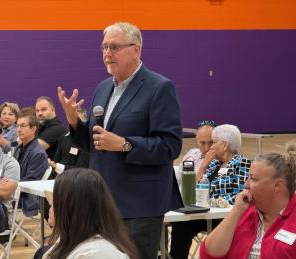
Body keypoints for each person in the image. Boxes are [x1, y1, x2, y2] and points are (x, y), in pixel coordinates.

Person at [57, 21, 182, 259]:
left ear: (136, 49)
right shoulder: (103, 88)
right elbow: (97, 143)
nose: (107, 54)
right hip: (102, 202)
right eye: (104, 47)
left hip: (140, 204)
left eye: (114, 47)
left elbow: (170, 146)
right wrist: (74, 121)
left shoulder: (159, 87)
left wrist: (125, 144)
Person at [200, 142, 296, 259]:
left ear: (277, 185)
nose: (246, 185)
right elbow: (208, 254)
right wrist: (235, 212)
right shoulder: (245, 213)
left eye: (253, 179)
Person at [170, 124, 252, 259]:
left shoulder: (241, 162)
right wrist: (204, 165)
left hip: (226, 218)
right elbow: (193, 189)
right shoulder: (214, 164)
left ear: (225, 145)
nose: (211, 147)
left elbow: (239, 194)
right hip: (206, 214)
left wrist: (214, 202)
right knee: (181, 224)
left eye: (213, 142)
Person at [36, 168, 138, 259]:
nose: (50, 207)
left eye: (54, 202)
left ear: (72, 209)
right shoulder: (73, 238)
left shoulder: (94, 253)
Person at [14, 110, 49, 216]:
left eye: (23, 126)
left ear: (33, 129)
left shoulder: (38, 153)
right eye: (17, 126)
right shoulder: (19, 148)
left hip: (25, 198)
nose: (19, 129)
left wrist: (7, 186)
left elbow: (30, 183)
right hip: (15, 190)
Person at [49, 108, 89, 176]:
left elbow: (81, 169)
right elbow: (56, 161)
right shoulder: (63, 137)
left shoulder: (87, 140)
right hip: (57, 177)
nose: (74, 122)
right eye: (72, 119)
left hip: (75, 180)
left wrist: (57, 167)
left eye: (78, 120)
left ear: (85, 122)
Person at [175, 120, 216, 184]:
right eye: (202, 143)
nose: (207, 148)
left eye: (211, 142)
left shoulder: (221, 160)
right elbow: (178, 181)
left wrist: (204, 164)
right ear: (196, 139)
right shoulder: (191, 153)